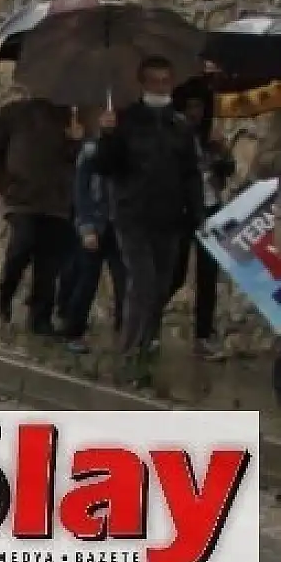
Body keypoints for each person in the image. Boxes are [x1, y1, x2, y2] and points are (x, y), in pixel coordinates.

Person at [94, 56, 204, 363]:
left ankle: (147, 341)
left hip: (169, 218)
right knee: (142, 281)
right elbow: (105, 166)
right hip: (133, 215)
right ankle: (128, 349)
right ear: (142, 83)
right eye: (154, 81)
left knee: (163, 284)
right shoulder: (126, 120)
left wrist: (197, 214)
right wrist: (107, 136)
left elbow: (191, 174)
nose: (160, 86)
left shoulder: (179, 125)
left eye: (165, 80)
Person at [0, 90, 76, 334]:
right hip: (23, 199)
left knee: (49, 264)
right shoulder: (12, 113)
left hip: (56, 201)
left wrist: (76, 140)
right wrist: (6, 185)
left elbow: (75, 159)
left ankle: (40, 317)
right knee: (21, 248)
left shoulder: (69, 115)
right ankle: (5, 295)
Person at [168, 83, 234, 359]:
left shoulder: (211, 138)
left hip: (210, 208)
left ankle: (203, 336)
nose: (196, 112)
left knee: (208, 276)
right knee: (176, 273)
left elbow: (228, 169)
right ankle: (146, 321)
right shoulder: (175, 135)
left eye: (200, 106)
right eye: (191, 106)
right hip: (183, 210)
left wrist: (220, 157)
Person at [56, 113, 127, 352]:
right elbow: (81, 191)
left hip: (119, 226)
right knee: (86, 280)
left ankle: (125, 332)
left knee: (124, 283)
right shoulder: (90, 151)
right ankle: (73, 330)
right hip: (95, 223)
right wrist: (86, 227)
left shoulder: (126, 151)